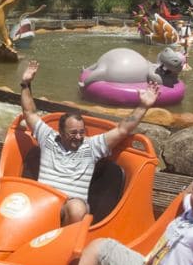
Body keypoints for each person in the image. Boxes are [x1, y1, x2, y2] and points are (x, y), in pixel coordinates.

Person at [19, 60, 159, 225]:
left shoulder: (91, 147)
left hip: (69, 210)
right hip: (41, 202)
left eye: (81, 132)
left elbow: (122, 129)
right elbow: (29, 112)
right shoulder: (48, 138)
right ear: (61, 132)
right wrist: (25, 84)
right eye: (73, 133)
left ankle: (62, 244)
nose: (78, 137)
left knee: (77, 208)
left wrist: (143, 105)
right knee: (18, 199)